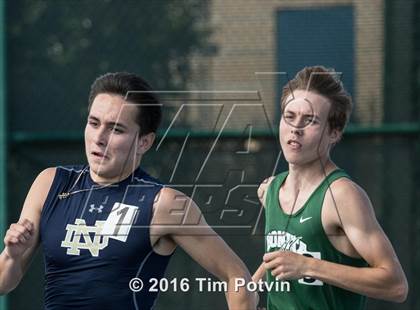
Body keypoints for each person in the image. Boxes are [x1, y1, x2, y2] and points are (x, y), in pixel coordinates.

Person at [0, 72, 257, 309]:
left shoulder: (163, 204)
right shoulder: (50, 183)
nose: (99, 137)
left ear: (144, 141)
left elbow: (237, 277)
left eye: (116, 129)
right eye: (94, 123)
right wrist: (12, 256)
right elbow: (4, 282)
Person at [252, 66, 408, 309]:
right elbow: (286, 253)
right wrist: (251, 286)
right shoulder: (271, 191)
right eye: (289, 116)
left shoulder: (342, 195)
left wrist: (307, 266)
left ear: (334, 133)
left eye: (310, 120)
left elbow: (396, 285)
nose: (296, 128)